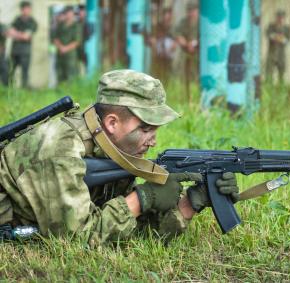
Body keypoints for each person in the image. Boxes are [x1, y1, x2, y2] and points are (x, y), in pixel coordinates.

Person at [0, 70, 239, 245]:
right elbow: (76, 239)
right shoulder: (60, 150)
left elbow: (128, 234)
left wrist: (190, 203)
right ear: (112, 123)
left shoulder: (111, 148)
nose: (153, 140)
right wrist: (141, 198)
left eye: (155, 130)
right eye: (145, 129)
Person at [8, 1, 38, 88]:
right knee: (11, 71)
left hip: (25, 51)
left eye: (28, 9)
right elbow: (10, 32)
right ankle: (9, 88)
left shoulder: (32, 22)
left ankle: (24, 88)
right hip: (15, 50)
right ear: (21, 10)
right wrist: (20, 34)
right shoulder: (16, 20)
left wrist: (16, 34)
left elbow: (27, 36)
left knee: (25, 71)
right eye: (24, 9)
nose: (26, 11)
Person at [174, 2, 199, 102]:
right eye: (189, 11)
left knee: (197, 77)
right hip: (186, 54)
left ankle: (197, 98)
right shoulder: (184, 22)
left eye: (193, 11)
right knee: (185, 77)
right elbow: (177, 34)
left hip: (198, 55)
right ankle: (187, 98)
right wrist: (185, 44)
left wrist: (194, 44)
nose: (191, 13)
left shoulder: (201, 22)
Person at [53, 6, 81, 83]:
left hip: (70, 55)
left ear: (73, 14)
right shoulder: (60, 25)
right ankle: (60, 92)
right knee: (60, 74)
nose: (68, 15)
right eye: (66, 13)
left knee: (71, 76)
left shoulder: (76, 26)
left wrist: (65, 48)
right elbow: (55, 38)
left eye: (70, 13)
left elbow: (77, 41)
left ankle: (70, 92)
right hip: (60, 54)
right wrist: (61, 47)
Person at [149, 7, 177, 83]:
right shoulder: (158, 26)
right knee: (157, 75)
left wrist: (170, 48)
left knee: (168, 75)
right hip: (159, 55)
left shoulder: (173, 28)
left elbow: (175, 42)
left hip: (168, 56)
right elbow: (153, 39)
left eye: (169, 15)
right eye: (166, 15)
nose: (167, 17)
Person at [265, 10, 290, 83]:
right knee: (269, 72)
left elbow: (287, 40)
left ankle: (281, 87)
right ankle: (268, 86)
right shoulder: (271, 26)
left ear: (284, 18)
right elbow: (268, 35)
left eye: (282, 18)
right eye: (278, 17)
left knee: (281, 73)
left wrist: (279, 38)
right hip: (271, 54)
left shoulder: (287, 28)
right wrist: (277, 37)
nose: (280, 19)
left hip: (281, 55)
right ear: (276, 18)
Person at [0, 19, 9, 86]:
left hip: (1, 52)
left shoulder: (2, 26)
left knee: (4, 68)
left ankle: (5, 87)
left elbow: (5, 34)